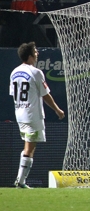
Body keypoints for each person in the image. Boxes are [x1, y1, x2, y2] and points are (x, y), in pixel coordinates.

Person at [10, 42, 65, 188]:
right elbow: (46, 95)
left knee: (28, 146)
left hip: (19, 114)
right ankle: (20, 181)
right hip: (32, 115)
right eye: (35, 51)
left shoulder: (14, 72)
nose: (37, 53)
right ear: (29, 55)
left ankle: (20, 180)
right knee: (30, 148)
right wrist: (57, 110)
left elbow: (13, 94)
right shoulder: (35, 72)